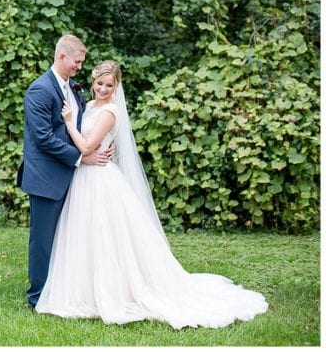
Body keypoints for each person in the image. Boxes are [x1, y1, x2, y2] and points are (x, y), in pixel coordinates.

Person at [35, 60, 268, 328]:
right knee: (84, 233)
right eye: (99, 83)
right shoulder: (88, 106)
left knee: (107, 235)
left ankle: (116, 290)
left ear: (116, 87)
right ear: (93, 81)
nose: (103, 88)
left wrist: (69, 124)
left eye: (109, 85)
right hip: (83, 179)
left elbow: (87, 146)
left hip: (100, 178)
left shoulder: (109, 112)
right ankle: (84, 288)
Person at [16, 35, 113, 310]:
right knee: (43, 240)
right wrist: (83, 157)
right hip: (46, 176)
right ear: (62, 57)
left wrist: (104, 141)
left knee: (67, 237)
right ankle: (37, 296)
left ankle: (61, 289)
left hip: (72, 176)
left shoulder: (73, 87)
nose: (80, 67)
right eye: (77, 61)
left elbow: (83, 123)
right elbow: (44, 137)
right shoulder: (40, 90)